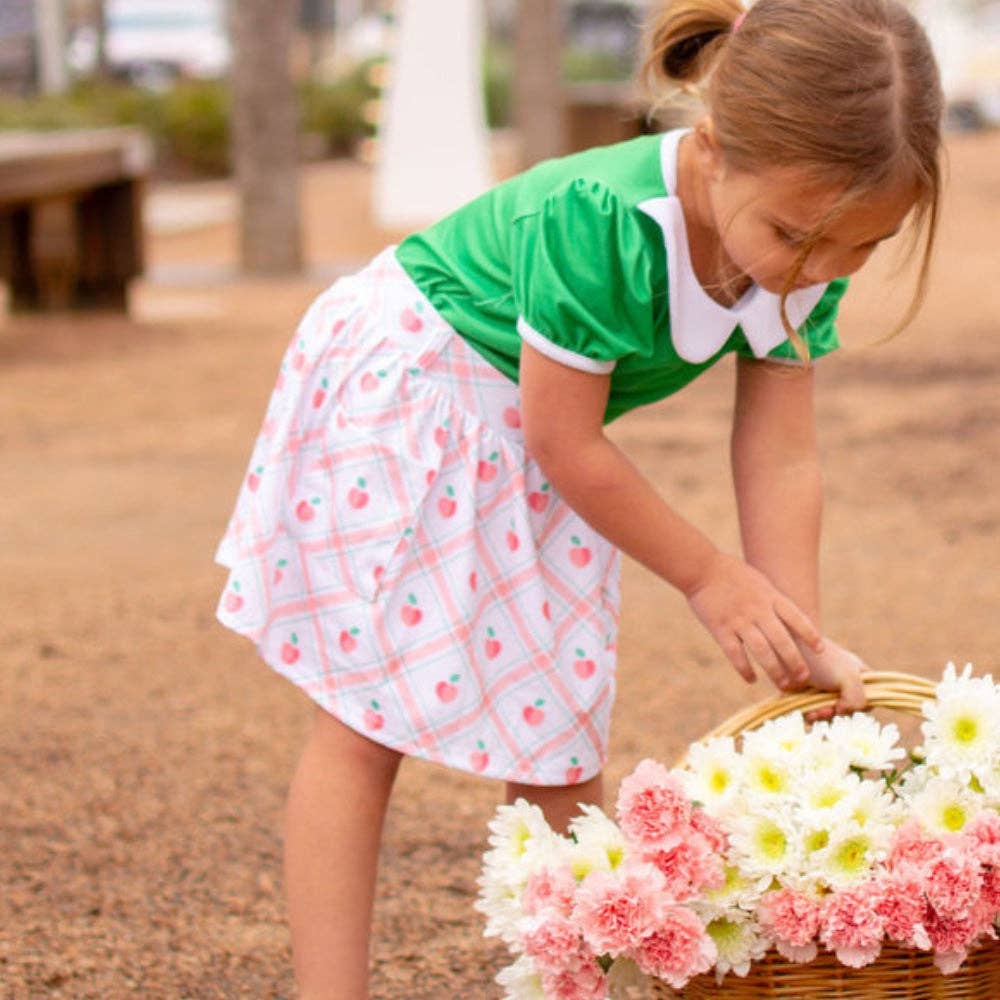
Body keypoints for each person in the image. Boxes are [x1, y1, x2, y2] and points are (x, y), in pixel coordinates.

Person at [213, 0, 943, 995]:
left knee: (561, 726)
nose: (818, 272)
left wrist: (796, 646)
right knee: (363, 720)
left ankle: (573, 977)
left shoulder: (809, 240)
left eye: (860, 246)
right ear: (718, 148)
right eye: (795, 237)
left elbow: (778, 452)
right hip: (417, 388)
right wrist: (708, 577)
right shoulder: (597, 219)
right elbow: (562, 437)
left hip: (535, 431)